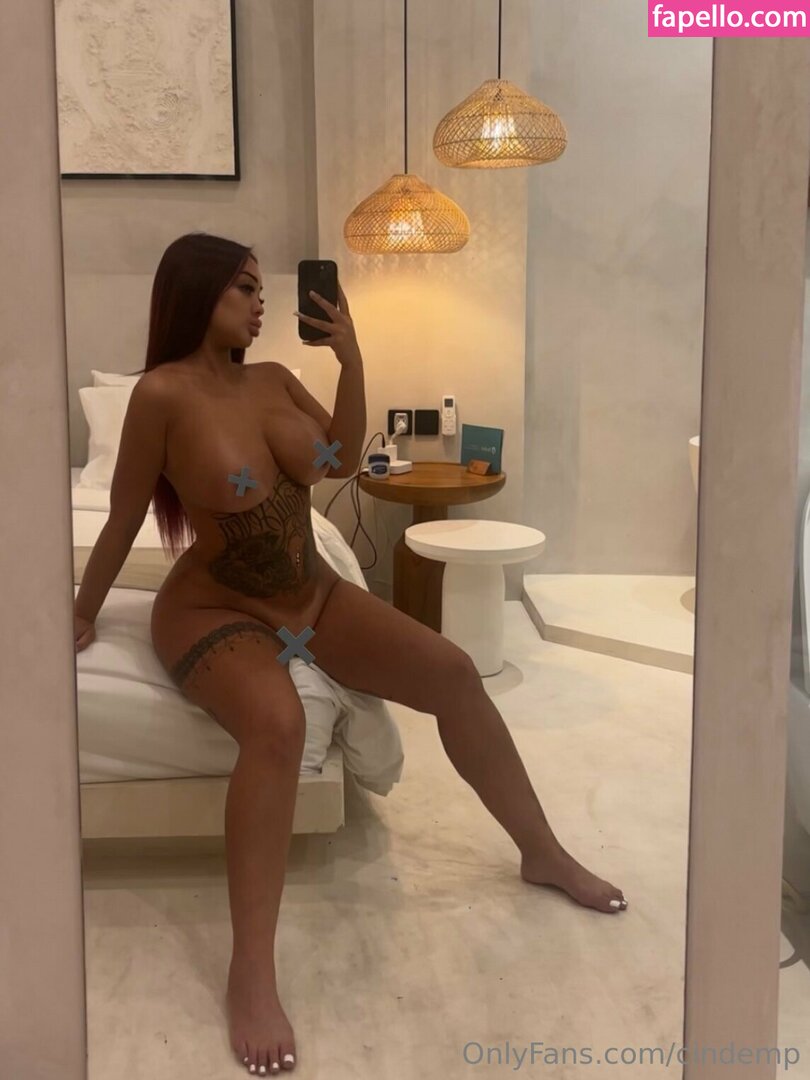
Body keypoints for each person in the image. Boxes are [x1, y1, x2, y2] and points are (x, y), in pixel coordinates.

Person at [73, 233, 627, 1078]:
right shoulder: (161, 395)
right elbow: (121, 517)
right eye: (243, 287)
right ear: (196, 293)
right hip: (214, 606)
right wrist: (82, 614)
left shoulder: (272, 380)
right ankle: (251, 971)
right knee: (278, 725)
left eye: (260, 288)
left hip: (312, 597)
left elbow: (337, 454)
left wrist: (352, 357)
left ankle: (541, 850)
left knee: (450, 671)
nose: (260, 301)